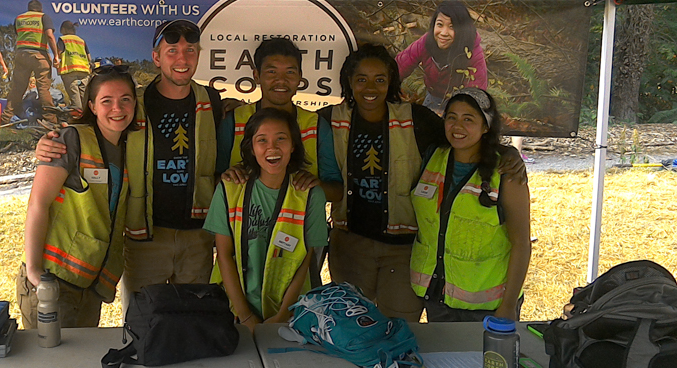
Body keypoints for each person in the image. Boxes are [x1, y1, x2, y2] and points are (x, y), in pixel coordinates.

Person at [35, 20, 224, 314]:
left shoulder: (212, 102)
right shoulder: (133, 103)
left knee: (192, 324)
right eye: (172, 50)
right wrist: (50, 143)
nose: (183, 59)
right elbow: (94, 132)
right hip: (145, 237)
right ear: (157, 58)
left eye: (190, 50)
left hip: (197, 238)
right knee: (142, 327)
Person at [320, 44, 446, 322]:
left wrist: (505, 155)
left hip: (403, 249)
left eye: (380, 79)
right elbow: (283, 129)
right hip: (350, 245)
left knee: (400, 328)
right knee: (353, 327)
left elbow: (463, 144)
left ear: (390, 83)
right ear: (348, 82)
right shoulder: (329, 120)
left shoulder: (417, 120)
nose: (370, 87)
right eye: (361, 79)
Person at [18, 64, 139, 329]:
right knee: (52, 367)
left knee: (79, 366)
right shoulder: (70, 139)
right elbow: (38, 204)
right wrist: (34, 272)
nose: (117, 109)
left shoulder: (132, 146)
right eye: (107, 101)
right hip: (54, 280)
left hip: (90, 285)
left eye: (125, 100)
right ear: (93, 106)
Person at [218, 37, 344, 288]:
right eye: (271, 72)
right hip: (244, 237)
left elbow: (337, 190)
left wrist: (315, 185)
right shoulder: (234, 121)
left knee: (295, 305)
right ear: (256, 75)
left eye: (289, 73)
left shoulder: (316, 125)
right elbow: (214, 180)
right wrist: (228, 178)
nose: (281, 81)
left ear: (300, 78)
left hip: (301, 239)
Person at [410, 87, 531, 322]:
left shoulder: (506, 173)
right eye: (451, 118)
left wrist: (507, 306)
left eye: (469, 119)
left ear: (486, 127)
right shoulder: (432, 157)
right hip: (438, 298)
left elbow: (521, 244)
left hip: (488, 308)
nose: (458, 127)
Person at [204, 108, 327, 333]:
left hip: (290, 312)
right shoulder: (230, 189)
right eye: (262, 140)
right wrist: (245, 315)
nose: (272, 147)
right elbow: (223, 255)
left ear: (294, 146)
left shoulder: (310, 195)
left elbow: (305, 260)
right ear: (251, 147)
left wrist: (282, 315)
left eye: (281, 138)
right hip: (233, 309)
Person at [395, 0, 487, 114]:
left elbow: (476, 95)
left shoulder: (473, 52)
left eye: (452, 27)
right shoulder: (426, 42)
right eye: (440, 25)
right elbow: (400, 66)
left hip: (459, 104)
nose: (443, 33)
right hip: (434, 97)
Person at [2, 0, 59, 124]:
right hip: (39, 55)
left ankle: (6, 118)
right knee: (43, 88)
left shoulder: (19, 18)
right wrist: (56, 56)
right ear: (40, 9)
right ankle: (50, 120)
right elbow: (49, 35)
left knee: (17, 88)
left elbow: (18, 34)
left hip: (21, 54)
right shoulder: (44, 17)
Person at [57, 20, 91, 111]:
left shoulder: (63, 39)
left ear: (64, 29)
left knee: (74, 94)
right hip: (84, 70)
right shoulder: (81, 41)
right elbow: (88, 57)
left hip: (69, 69)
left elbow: (59, 53)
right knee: (84, 94)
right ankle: (86, 114)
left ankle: (77, 114)